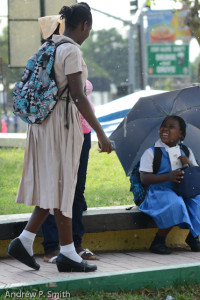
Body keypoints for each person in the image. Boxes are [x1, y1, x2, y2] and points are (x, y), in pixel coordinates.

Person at [7, 2, 112, 273]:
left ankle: (25, 240)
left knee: (52, 185)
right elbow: (78, 96)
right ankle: (67, 253)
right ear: (85, 25)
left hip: (40, 125)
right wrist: (101, 133)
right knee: (63, 183)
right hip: (60, 125)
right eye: (90, 28)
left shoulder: (48, 47)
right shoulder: (72, 51)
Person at [139, 115, 200, 255]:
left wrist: (189, 163)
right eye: (163, 126)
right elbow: (144, 178)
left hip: (184, 190)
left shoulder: (186, 150)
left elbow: (196, 172)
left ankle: (193, 236)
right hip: (160, 190)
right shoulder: (152, 152)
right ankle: (158, 240)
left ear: (180, 133)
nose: (165, 129)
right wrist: (167, 177)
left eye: (171, 127)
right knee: (175, 203)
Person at [42, 80, 97, 263]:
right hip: (62, 133)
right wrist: (102, 133)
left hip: (84, 133)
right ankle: (51, 248)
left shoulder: (77, 58)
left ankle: (75, 245)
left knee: (77, 191)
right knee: (56, 191)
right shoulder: (59, 58)